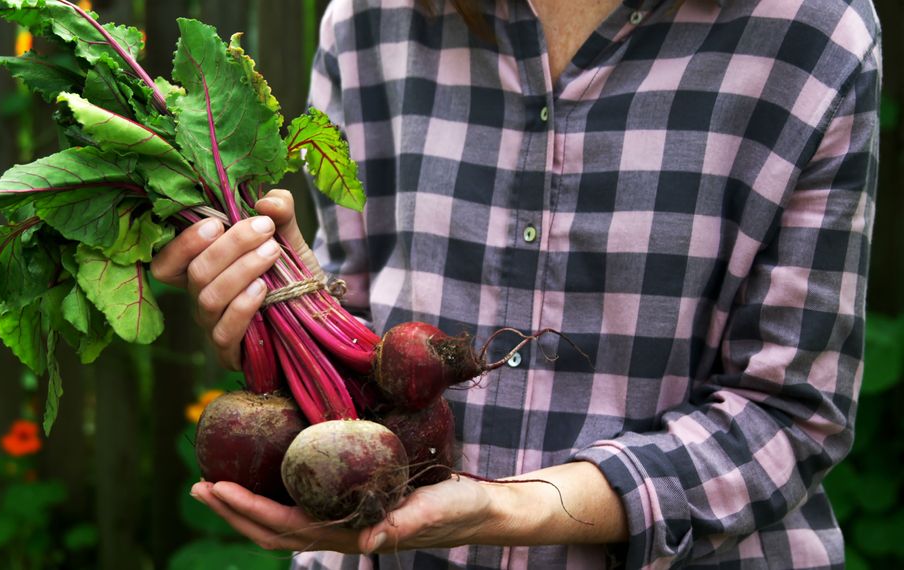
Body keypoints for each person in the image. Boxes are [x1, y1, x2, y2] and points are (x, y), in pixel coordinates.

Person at [150, 0, 882, 567]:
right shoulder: (372, 18)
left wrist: (513, 510)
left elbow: (791, 409)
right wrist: (268, 299)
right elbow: (362, 330)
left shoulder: (809, 31)